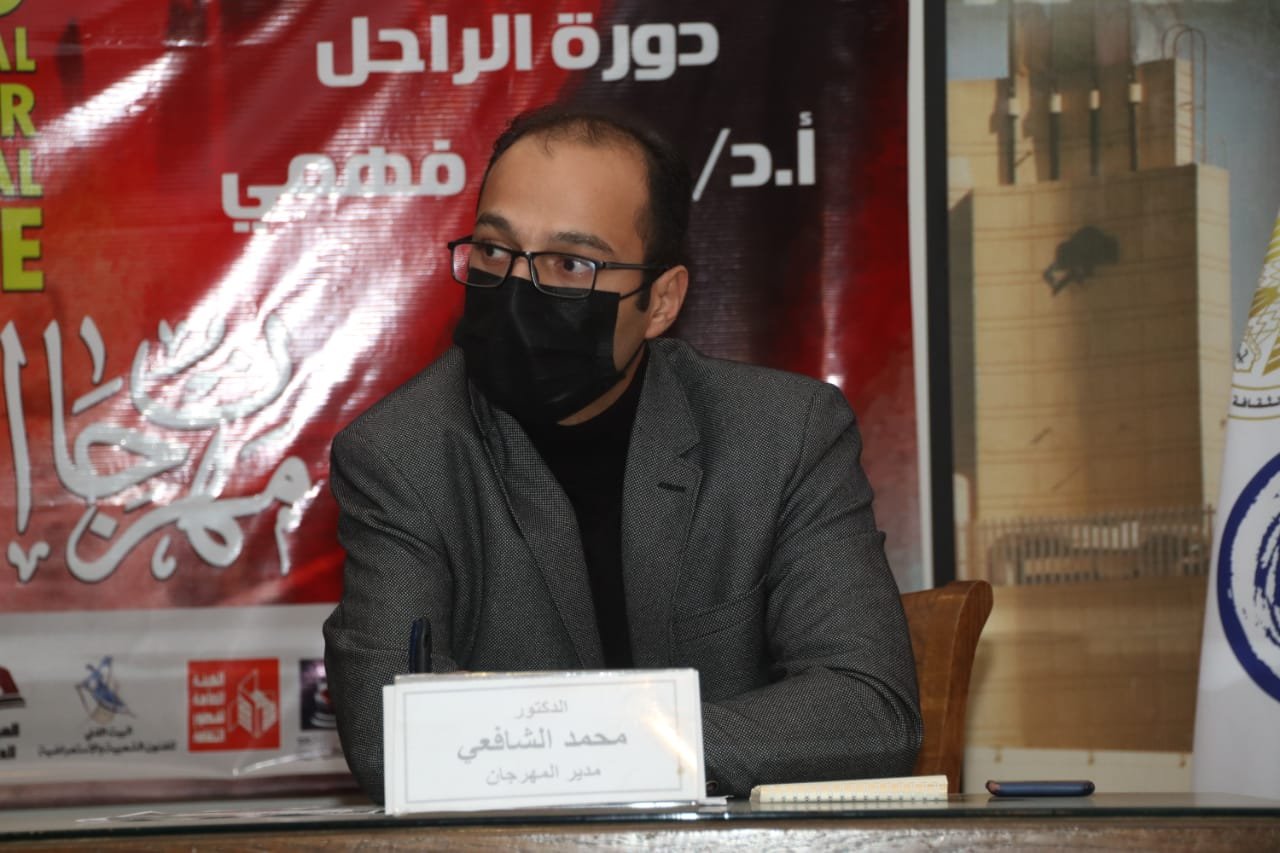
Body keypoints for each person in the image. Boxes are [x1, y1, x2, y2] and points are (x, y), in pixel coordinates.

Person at [323, 105, 922, 802]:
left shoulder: (783, 436)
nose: (517, 289)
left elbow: (868, 709)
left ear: (661, 301)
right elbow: (388, 735)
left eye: (570, 263)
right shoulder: (401, 456)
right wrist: (639, 744)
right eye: (493, 250)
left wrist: (601, 747)